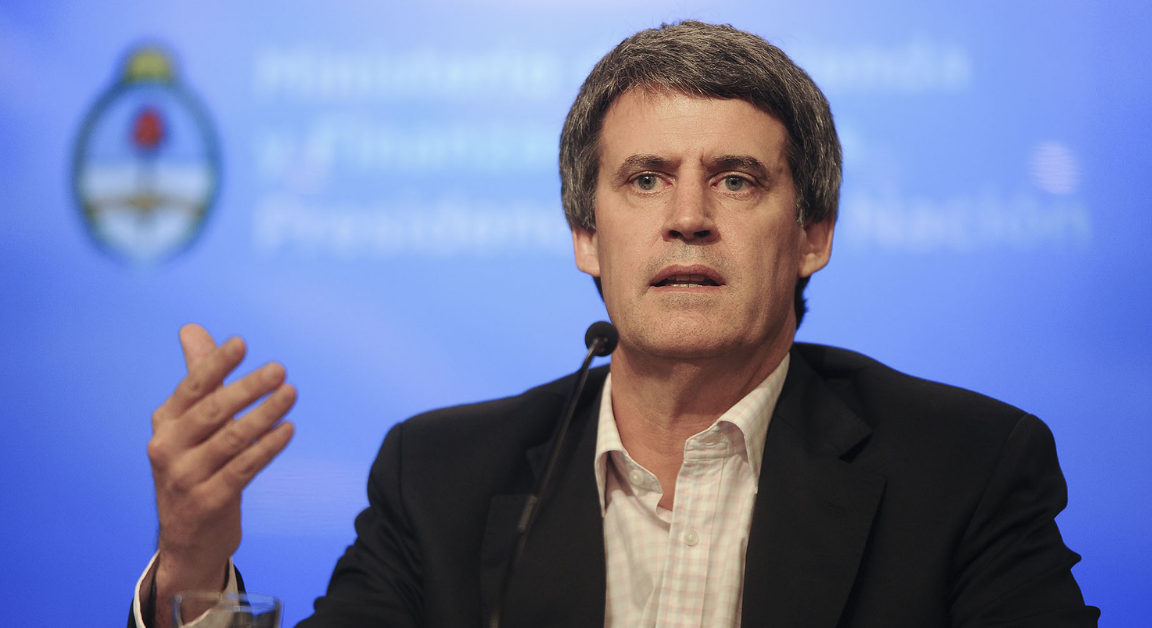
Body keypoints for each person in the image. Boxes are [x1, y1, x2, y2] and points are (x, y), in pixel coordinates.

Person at [129, 20, 1099, 628]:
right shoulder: (442, 476)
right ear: (586, 236)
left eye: (735, 179)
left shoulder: (965, 468)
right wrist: (197, 564)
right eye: (645, 180)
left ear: (812, 235)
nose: (688, 217)